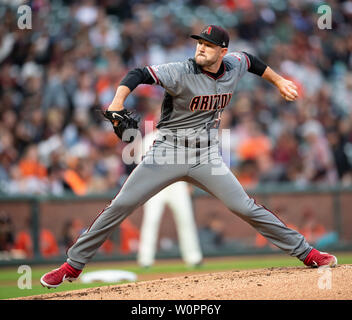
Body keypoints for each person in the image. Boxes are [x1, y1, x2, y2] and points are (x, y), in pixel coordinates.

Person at [41, 25, 337, 288]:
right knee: (122, 204)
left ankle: (307, 253)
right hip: (167, 151)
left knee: (245, 207)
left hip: (206, 154)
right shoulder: (181, 70)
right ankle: (72, 265)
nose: (200, 47)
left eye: (208, 45)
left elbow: (253, 61)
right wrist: (117, 101)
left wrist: (279, 81)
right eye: (199, 43)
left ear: (223, 51)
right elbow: (138, 73)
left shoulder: (234, 64)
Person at [136, 125, 203, 268]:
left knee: (186, 219)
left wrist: (189, 183)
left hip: (176, 184)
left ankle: (193, 257)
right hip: (155, 184)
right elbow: (141, 164)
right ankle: (145, 259)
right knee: (151, 220)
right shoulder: (149, 138)